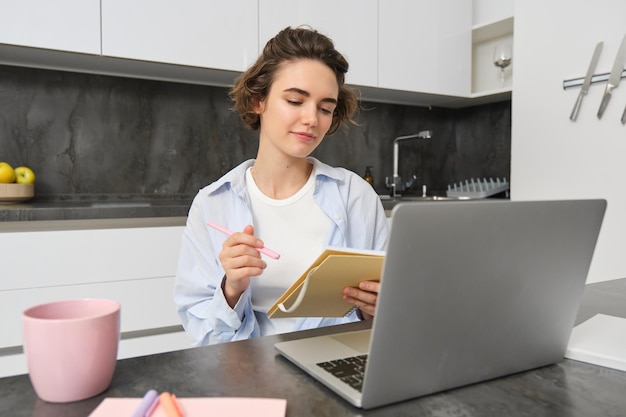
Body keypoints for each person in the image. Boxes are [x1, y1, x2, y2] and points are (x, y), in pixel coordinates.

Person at [174, 26, 388, 346]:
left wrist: (376, 309)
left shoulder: (355, 196)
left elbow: (383, 318)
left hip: (333, 359)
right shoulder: (212, 203)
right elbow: (204, 333)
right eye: (295, 100)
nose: (311, 119)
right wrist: (232, 288)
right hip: (245, 366)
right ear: (259, 101)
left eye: (325, 108)